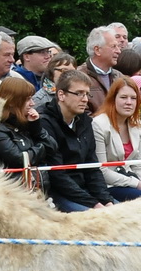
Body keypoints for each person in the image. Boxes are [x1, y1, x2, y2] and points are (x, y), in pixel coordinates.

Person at [39, 69, 114, 211]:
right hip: (57, 194)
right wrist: (94, 204)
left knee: (118, 213)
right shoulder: (44, 122)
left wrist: (107, 201)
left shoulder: (86, 121)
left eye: (87, 94)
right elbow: (57, 175)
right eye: (79, 93)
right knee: (96, 219)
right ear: (61, 95)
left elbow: (92, 167)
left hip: (85, 190)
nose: (85, 99)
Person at [92, 78, 141, 202]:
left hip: (132, 181)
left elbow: (140, 166)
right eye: (123, 97)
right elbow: (101, 170)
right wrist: (136, 184)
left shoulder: (138, 125)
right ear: (113, 99)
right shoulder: (99, 124)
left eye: (133, 98)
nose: (129, 102)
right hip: (108, 185)